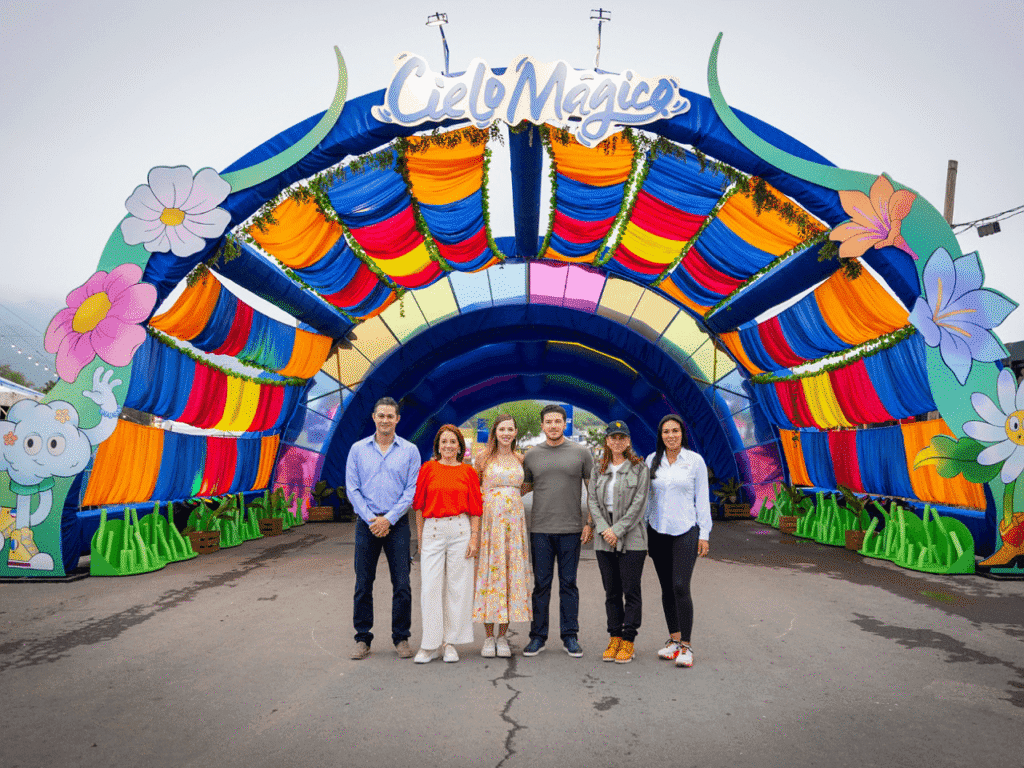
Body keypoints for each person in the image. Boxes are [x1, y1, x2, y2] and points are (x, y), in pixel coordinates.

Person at [345, 397, 421, 660]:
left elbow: (411, 490)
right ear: (374, 418)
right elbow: (352, 488)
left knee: (402, 583)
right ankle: (362, 638)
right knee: (363, 583)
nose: (386, 420)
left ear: (398, 419)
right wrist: (372, 519)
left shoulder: (410, 451)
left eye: (391, 416)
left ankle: (401, 637)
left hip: (397, 524)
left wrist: (388, 519)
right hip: (366, 524)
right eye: (381, 415)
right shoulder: (357, 449)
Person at [522, 404, 594, 657]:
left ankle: (570, 636)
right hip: (540, 529)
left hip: (571, 529)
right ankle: (537, 637)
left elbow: (592, 492)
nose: (553, 425)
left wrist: (590, 523)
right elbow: (521, 488)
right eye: (548, 421)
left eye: (558, 421)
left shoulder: (581, 453)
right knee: (541, 585)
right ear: (542, 425)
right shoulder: (531, 456)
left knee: (569, 584)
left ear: (566, 424)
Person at [645, 414, 712, 668]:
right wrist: (642, 529)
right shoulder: (653, 460)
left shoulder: (694, 462)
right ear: (660, 435)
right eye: (665, 432)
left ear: (682, 433)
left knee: (680, 585)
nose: (671, 436)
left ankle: (687, 645)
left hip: (686, 530)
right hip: (657, 530)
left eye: (675, 431)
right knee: (666, 588)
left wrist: (704, 533)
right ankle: (673, 640)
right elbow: (648, 499)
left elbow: (702, 499)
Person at [412, 425, 482, 663]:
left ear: (460, 446)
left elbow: (476, 509)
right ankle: (429, 644)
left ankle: (450, 642)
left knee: (458, 588)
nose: (448, 446)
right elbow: (419, 506)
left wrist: (474, 537)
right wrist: (420, 539)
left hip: (460, 530)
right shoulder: (427, 469)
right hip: (433, 530)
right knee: (430, 587)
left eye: (453, 442)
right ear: (438, 446)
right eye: (444, 442)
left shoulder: (468, 472)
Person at [587, 420, 650, 664]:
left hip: (632, 536)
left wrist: (618, 530)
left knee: (631, 590)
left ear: (628, 441)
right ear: (607, 441)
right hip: (605, 537)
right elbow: (592, 500)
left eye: (621, 437)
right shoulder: (598, 468)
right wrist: (604, 529)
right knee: (611, 591)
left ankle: (628, 640)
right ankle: (614, 636)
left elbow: (639, 504)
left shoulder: (639, 468)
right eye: (613, 437)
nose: (617, 441)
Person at [472, 414, 532, 658]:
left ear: (515, 432)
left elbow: (526, 486)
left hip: (514, 526)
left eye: (510, 429)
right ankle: (488, 638)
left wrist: (510, 499)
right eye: (501, 429)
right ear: (494, 432)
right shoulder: (483, 459)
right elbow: (474, 489)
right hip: (490, 525)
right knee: (490, 577)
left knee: (510, 576)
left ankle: (502, 637)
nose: (506, 433)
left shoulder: (521, 459)